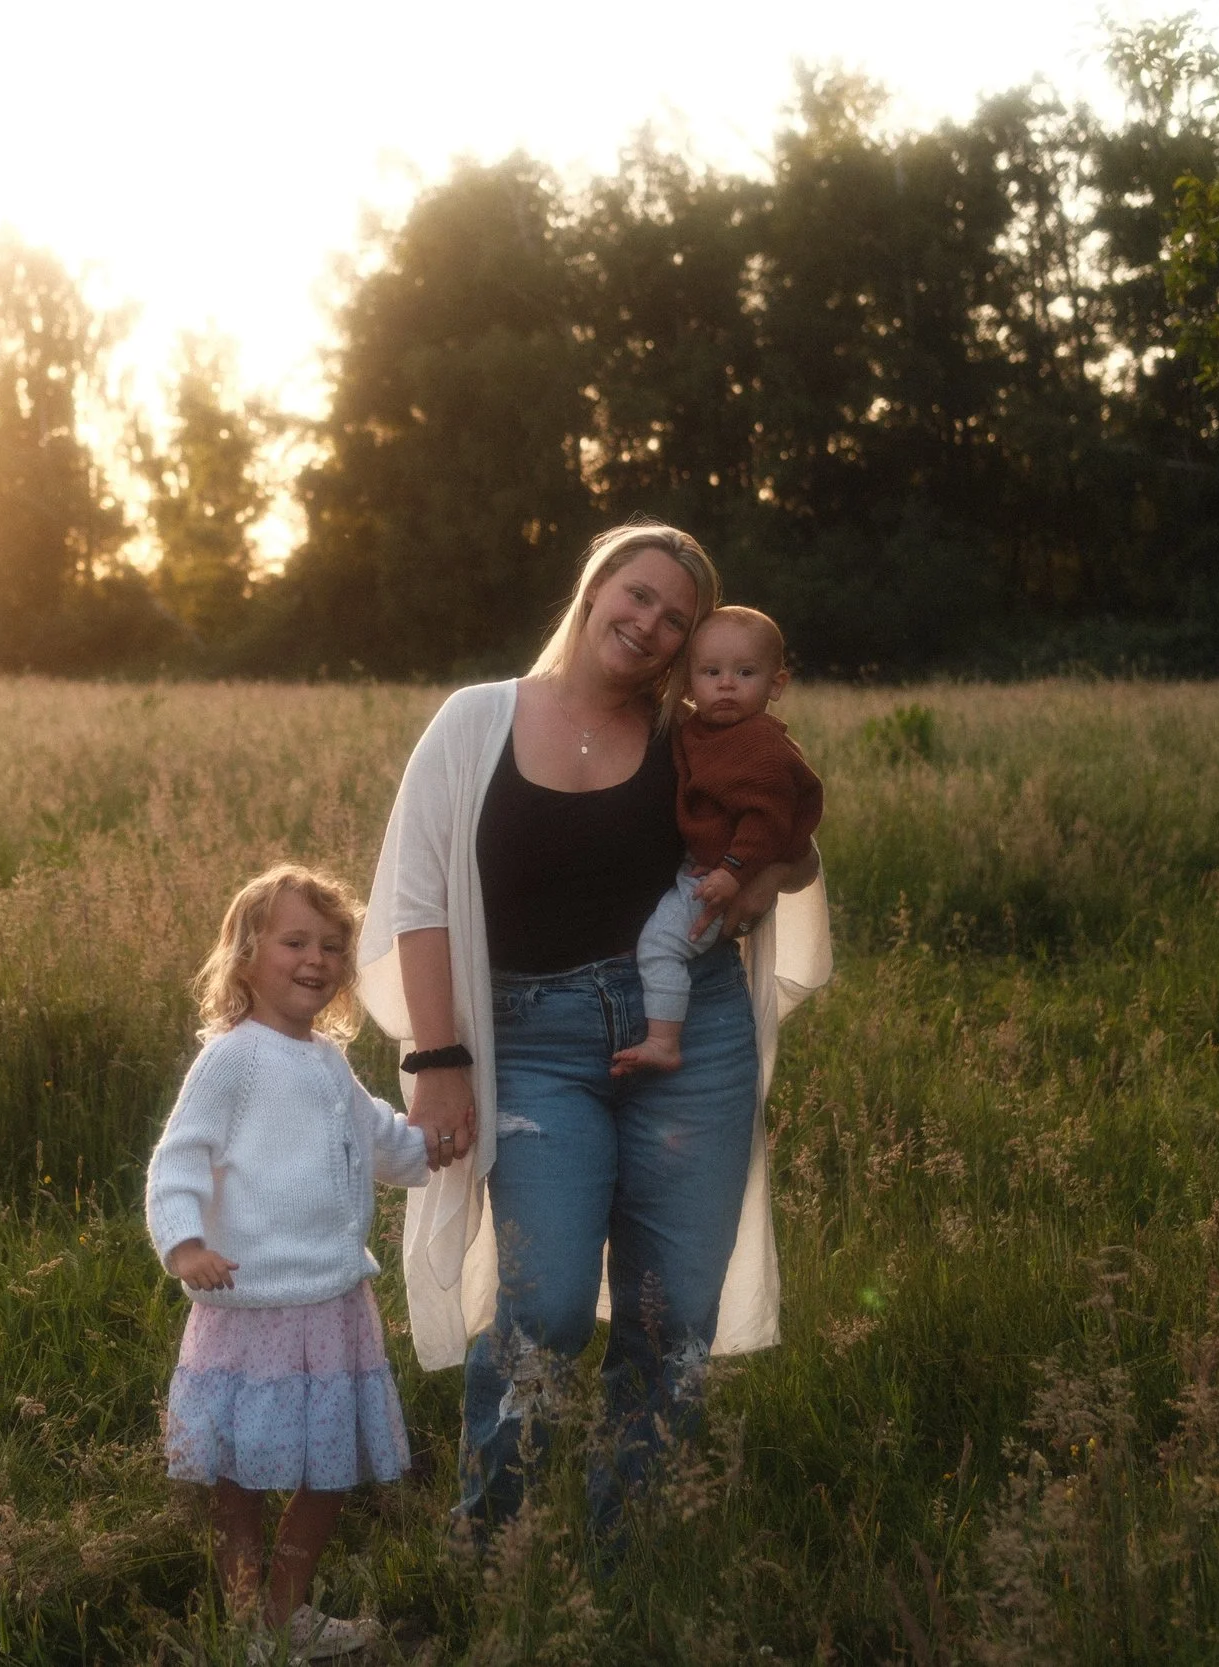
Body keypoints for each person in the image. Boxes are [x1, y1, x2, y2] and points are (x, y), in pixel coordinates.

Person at [356, 521, 832, 1537]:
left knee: (670, 1316)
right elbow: (417, 900)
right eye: (637, 593)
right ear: (592, 588)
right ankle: (496, 1538)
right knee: (552, 1302)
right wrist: (436, 1060)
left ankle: (628, 1550)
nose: (651, 623)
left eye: (676, 616)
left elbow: (793, 848)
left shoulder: (694, 737)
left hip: (689, 1031)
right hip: (532, 1043)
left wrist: (755, 881)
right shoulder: (475, 720)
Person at [148, 864, 429, 1658]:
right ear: (245, 956)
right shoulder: (233, 1058)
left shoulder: (328, 1061)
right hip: (249, 1303)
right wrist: (185, 1244)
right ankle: (246, 1623)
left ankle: (286, 1609)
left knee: (330, 1468)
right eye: (296, 941)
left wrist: (436, 1144)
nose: (317, 958)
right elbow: (178, 1160)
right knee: (236, 1472)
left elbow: (380, 1137)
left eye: (332, 945)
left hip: (333, 1301)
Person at [611, 605, 824, 1077]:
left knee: (662, 946)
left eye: (745, 673)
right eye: (712, 672)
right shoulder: (700, 731)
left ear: (776, 685)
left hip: (718, 878)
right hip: (705, 866)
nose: (726, 684)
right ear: (688, 683)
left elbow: (767, 823)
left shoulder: (760, 748)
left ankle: (664, 1041)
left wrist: (733, 870)